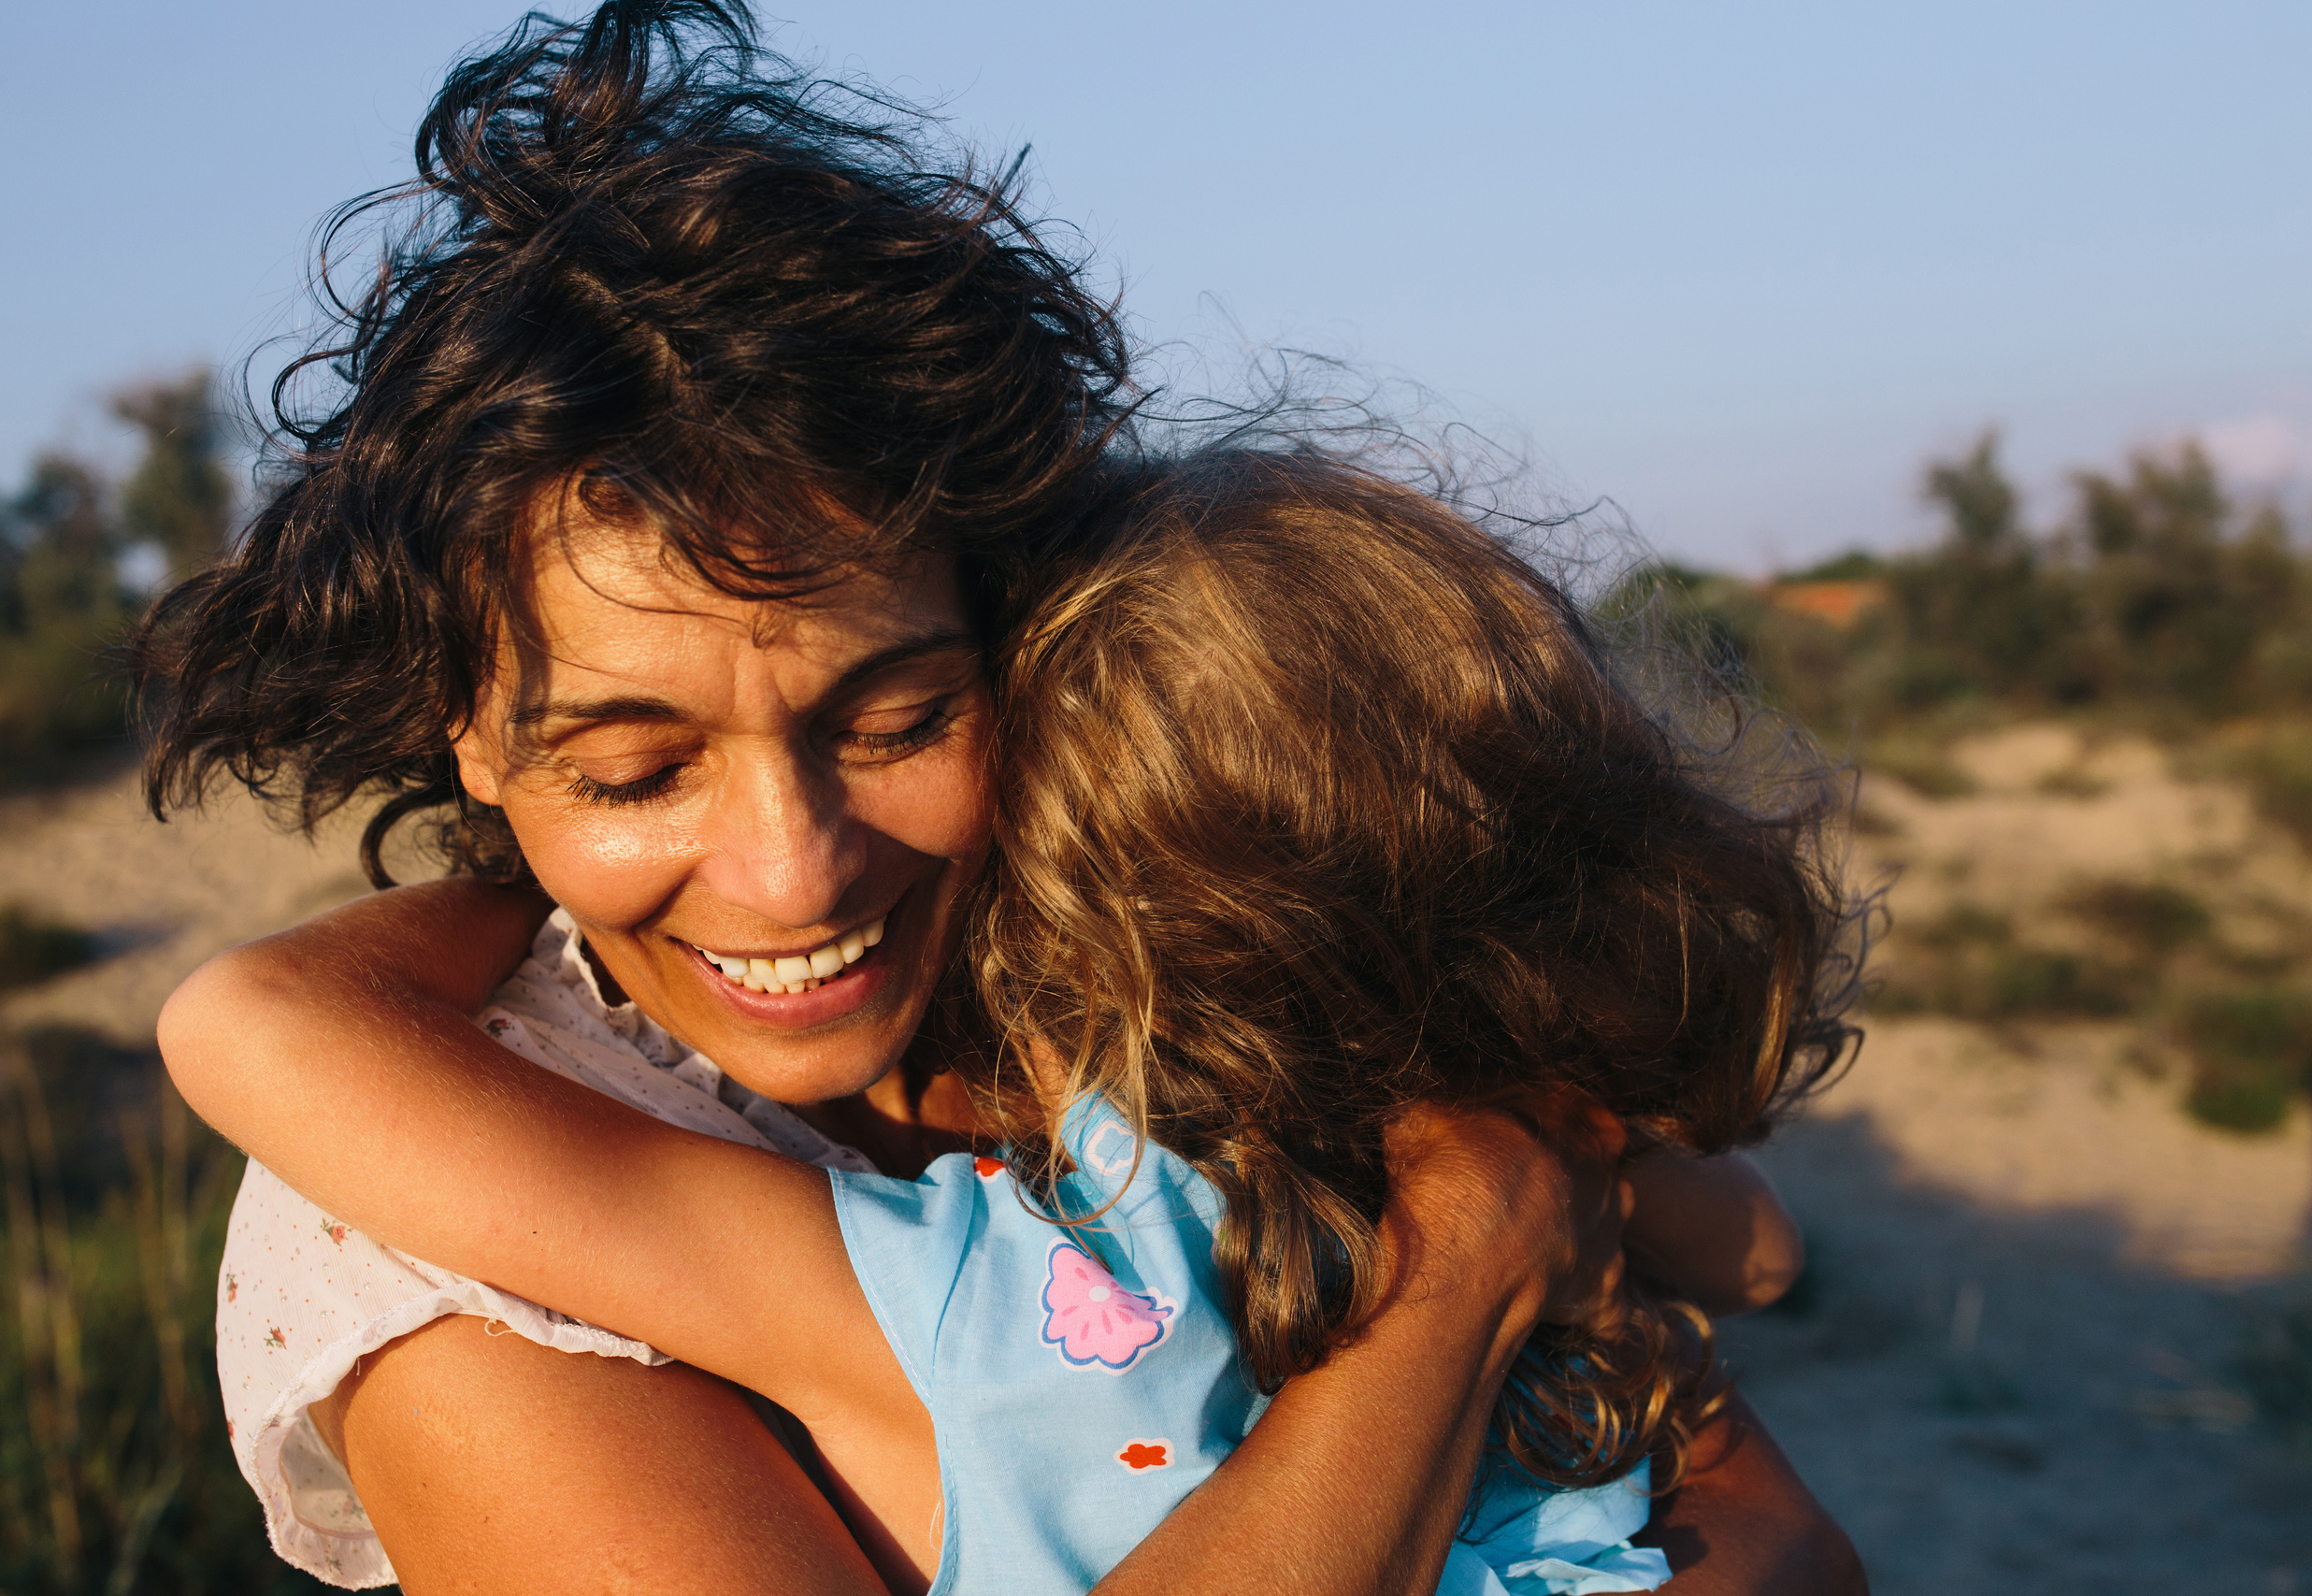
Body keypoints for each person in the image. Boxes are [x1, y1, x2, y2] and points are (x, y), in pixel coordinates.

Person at [135, 3, 1866, 1590]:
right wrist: (1462, 1278)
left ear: (1010, 646)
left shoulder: (1153, 995)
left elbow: (1788, 1521)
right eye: (637, 767)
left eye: (892, 723)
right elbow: (248, 1020)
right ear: (472, 740)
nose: (794, 871)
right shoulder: (443, 1215)